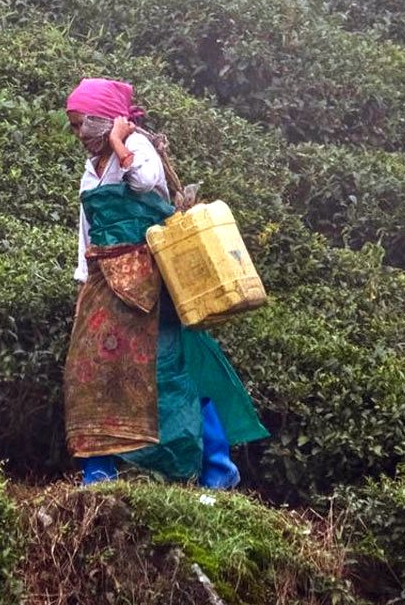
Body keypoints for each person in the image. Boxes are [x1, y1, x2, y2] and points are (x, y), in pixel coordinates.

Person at [63, 77, 269, 488]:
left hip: (150, 287)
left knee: (171, 370)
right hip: (107, 287)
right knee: (94, 372)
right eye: (73, 126)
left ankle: (216, 471)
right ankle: (99, 471)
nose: (78, 134)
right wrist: (83, 284)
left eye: (82, 123)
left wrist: (122, 141)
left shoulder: (139, 149)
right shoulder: (90, 170)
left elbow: (140, 181)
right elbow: (88, 232)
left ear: (106, 120)